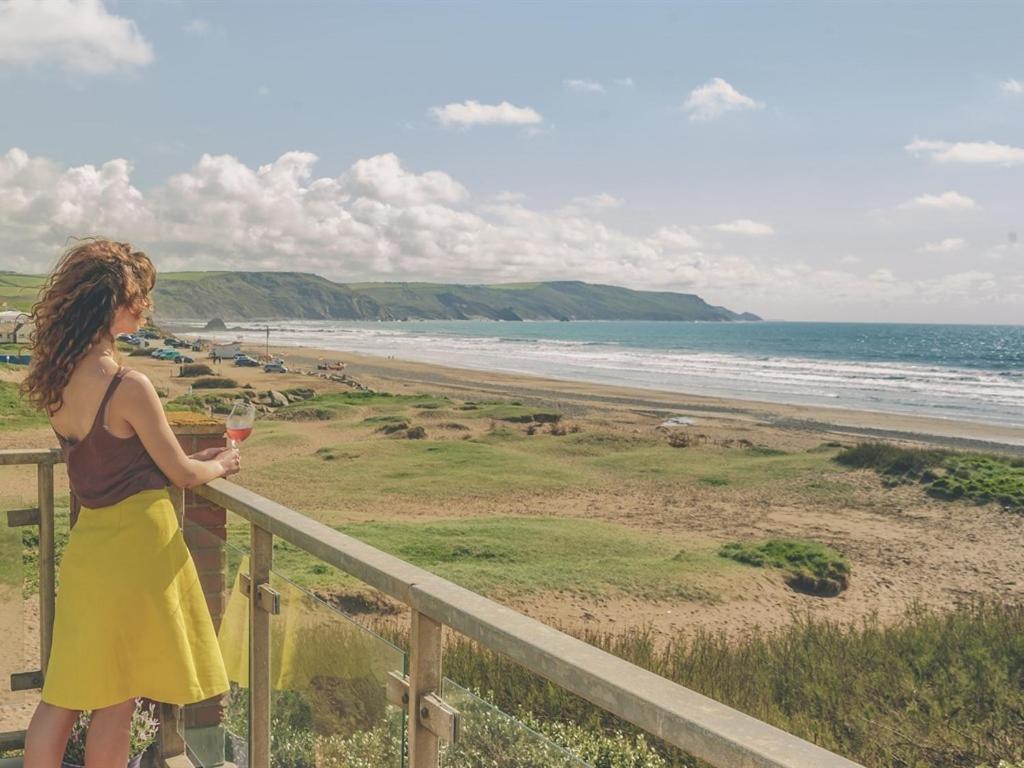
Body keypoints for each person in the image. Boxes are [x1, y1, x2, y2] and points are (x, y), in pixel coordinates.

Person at [18, 239, 241, 768]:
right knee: (117, 702)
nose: (147, 307)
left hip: (90, 550)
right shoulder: (128, 384)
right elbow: (183, 474)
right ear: (112, 300)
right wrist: (223, 464)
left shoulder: (59, 380)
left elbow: (106, 457)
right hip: (139, 553)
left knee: (64, 694)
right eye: (140, 296)